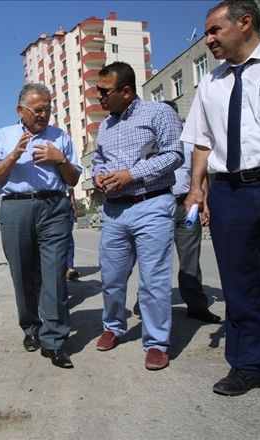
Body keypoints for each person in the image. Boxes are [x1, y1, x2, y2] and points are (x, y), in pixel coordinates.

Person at [181, 0, 260, 396]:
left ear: (244, 23)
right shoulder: (210, 83)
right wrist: (198, 190)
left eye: (215, 30)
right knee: (239, 283)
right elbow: (202, 143)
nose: (208, 39)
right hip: (230, 189)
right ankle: (249, 365)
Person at [0, 83, 82, 369]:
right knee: (23, 274)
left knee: (53, 274)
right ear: (20, 111)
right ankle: (31, 327)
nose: (44, 115)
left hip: (53, 207)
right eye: (38, 110)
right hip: (16, 208)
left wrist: (59, 158)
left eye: (48, 109)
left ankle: (55, 341)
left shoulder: (59, 137)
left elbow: (73, 179)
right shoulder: (2, 137)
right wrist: (13, 155)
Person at [92, 62, 183, 371]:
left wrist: (131, 174)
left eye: (104, 91)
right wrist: (99, 177)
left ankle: (156, 342)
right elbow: (100, 162)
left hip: (152, 205)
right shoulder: (105, 126)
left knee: (154, 281)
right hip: (114, 211)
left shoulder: (159, 113)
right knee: (112, 277)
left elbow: (174, 154)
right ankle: (113, 326)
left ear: (126, 91)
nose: (99, 97)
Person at [132, 100, 221, 324]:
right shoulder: (148, 146)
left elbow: (198, 175)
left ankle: (196, 305)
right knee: (153, 259)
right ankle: (146, 303)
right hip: (157, 208)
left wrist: (205, 203)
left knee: (190, 258)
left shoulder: (190, 143)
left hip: (186, 208)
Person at [65, 188, 80, 281]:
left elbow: (70, 189)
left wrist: (73, 207)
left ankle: (70, 267)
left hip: (66, 202)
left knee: (68, 238)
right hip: (50, 199)